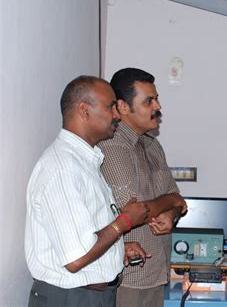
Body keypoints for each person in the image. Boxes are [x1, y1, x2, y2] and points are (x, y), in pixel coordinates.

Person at [25, 76, 151, 307]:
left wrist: (115, 250)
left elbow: (86, 234)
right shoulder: (63, 169)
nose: (117, 114)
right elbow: (76, 258)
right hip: (71, 298)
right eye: (110, 106)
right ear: (84, 110)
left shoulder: (84, 163)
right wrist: (125, 221)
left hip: (90, 296)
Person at [98, 68, 187, 307]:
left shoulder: (153, 145)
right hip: (128, 280)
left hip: (156, 272)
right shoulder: (113, 146)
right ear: (123, 107)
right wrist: (171, 201)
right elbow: (134, 210)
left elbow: (178, 200)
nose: (158, 106)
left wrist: (171, 213)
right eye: (149, 101)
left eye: (156, 99)